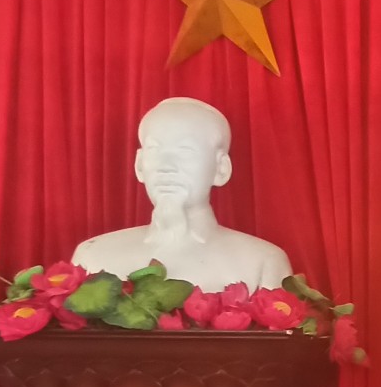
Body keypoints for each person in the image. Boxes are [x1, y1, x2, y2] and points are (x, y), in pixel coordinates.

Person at [72, 97, 293, 290]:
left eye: (186, 151)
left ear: (221, 168)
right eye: (154, 150)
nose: (166, 166)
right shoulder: (93, 257)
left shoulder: (262, 263)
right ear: (139, 165)